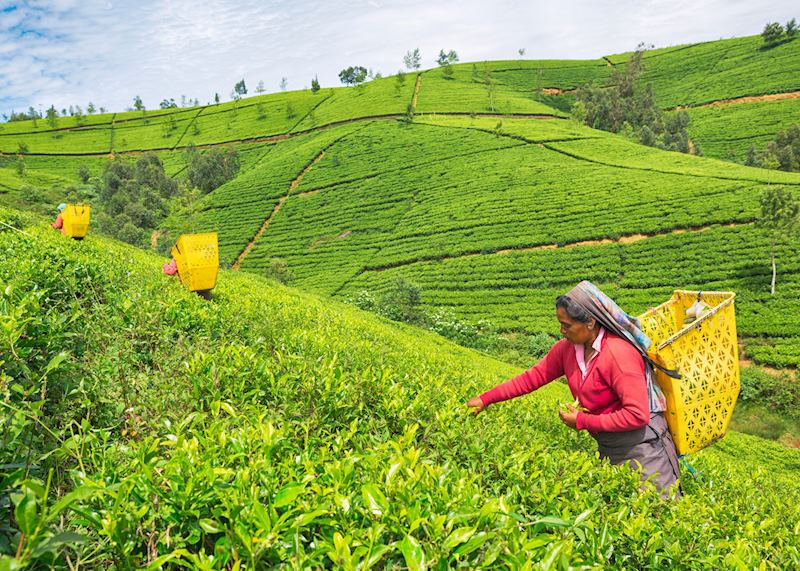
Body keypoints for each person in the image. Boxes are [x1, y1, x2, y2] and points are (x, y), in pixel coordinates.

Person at [466, 281, 681, 498]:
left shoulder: (618, 354)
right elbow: (532, 378)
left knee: (657, 508)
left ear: (590, 322)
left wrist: (582, 421)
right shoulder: (567, 350)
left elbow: (637, 415)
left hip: (644, 448)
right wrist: (486, 399)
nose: (562, 331)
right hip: (608, 444)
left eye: (567, 325)